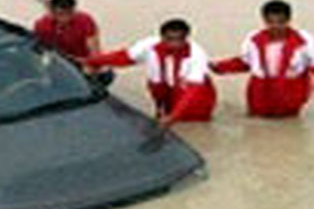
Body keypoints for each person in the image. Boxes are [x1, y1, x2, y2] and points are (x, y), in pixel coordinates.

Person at [210, 0, 314, 118]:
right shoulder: (253, 39)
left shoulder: (305, 41)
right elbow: (245, 63)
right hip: (260, 94)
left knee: (288, 126)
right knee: (256, 127)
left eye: (280, 22)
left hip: (290, 94)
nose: (275, 26)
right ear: (264, 20)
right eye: (271, 22)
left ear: (289, 20)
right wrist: (218, 67)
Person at [85, 18, 217, 128]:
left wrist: (173, 117)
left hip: (193, 96)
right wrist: (93, 61)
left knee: (193, 127)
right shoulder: (148, 45)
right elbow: (124, 57)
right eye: (169, 39)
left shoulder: (197, 55)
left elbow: (192, 92)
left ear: (186, 38)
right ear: (161, 37)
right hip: (163, 90)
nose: (174, 44)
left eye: (179, 39)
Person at [33, 0, 112, 86]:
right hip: (59, 61)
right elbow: (39, 51)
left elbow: (94, 50)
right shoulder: (41, 25)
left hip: (82, 61)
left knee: (107, 74)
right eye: (60, 14)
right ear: (51, 11)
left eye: (69, 13)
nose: (65, 18)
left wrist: (90, 66)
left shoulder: (85, 20)